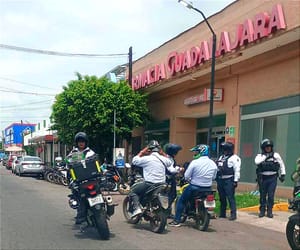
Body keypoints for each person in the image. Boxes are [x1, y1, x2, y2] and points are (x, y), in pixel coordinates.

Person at [169, 144, 218, 227]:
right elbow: (214, 176)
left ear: (200, 152)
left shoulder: (195, 162)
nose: (194, 154)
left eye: (196, 152)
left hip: (195, 187)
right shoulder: (213, 163)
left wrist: (189, 179)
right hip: (208, 188)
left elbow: (187, 175)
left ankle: (177, 221)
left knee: (181, 200)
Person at [129, 140, 180, 217]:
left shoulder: (146, 159)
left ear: (149, 150)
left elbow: (134, 161)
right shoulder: (164, 159)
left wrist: (142, 151)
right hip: (162, 184)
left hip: (149, 184)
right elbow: (170, 163)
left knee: (133, 191)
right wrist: (162, 153)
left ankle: (137, 208)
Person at [66, 132, 96, 224]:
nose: (81, 143)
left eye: (83, 141)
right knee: (77, 193)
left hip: (91, 177)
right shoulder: (73, 153)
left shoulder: (90, 152)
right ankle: (81, 213)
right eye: (79, 141)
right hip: (79, 178)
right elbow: (68, 163)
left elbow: (95, 161)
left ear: (86, 142)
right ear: (77, 142)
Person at [255, 138, 286, 218]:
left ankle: (269, 211)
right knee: (262, 195)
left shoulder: (276, 155)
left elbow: (281, 164)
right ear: (263, 148)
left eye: (269, 146)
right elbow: (257, 162)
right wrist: (266, 156)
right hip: (263, 178)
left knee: (271, 195)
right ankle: (262, 210)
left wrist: (283, 174)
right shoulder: (260, 156)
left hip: (272, 178)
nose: (268, 148)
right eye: (266, 147)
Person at [216, 141, 241, 221]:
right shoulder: (221, 157)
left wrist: (235, 181)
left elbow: (237, 170)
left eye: (225, 149)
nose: (224, 151)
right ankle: (222, 213)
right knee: (222, 197)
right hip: (221, 179)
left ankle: (233, 214)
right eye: (223, 149)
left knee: (230, 197)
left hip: (229, 179)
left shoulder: (234, 158)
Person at [164, 143, 183, 218]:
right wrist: (179, 169)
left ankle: (167, 211)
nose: (177, 153)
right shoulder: (168, 159)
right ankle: (166, 211)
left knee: (171, 195)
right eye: (176, 151)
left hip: (170, 179)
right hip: (168, 180)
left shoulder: (170, 158)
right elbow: (171, 169)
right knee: (171, 195)